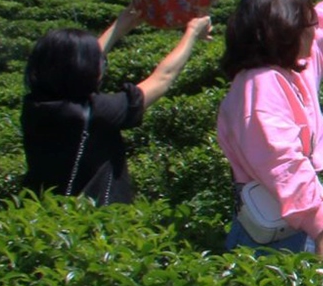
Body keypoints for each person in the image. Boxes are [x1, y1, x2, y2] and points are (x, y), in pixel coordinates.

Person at [215, 0, 323, 255]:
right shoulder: (261, 84)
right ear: (283, 30)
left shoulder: (294, 71)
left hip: (291, 218)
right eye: (306, 25)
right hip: (275, 236)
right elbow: (282, 164)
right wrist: (321, 227)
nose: (314, 30)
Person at [21, 10, 212, 204]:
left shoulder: (34, 106)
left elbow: (75, 63)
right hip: (95, 217)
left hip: (45, 211)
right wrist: (192, 32)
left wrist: (120, 26)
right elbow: (163, 78)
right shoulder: (97, 112)